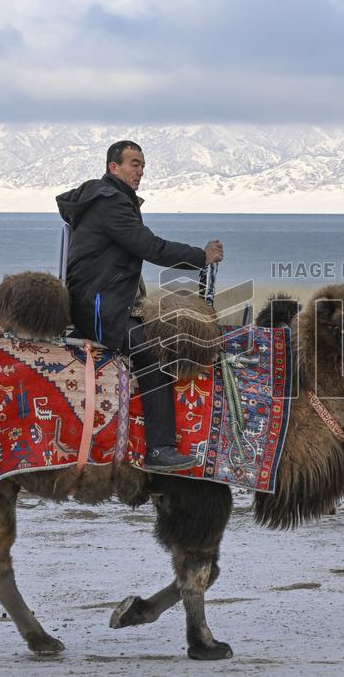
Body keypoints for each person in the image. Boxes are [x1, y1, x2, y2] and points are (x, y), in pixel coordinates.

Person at [56, 140, 224, 471]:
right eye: (134, 164)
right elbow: (149, 246)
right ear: (113, 167)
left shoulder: (111, 200)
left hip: (105, 300)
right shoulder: (109, 202)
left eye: (143, 165)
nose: (140, 171)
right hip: (101, 308)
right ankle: (160, 449)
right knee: (153, 352)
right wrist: (199, 257)